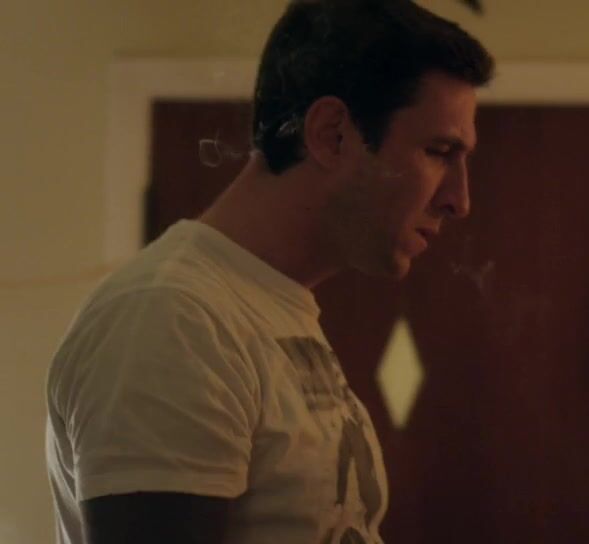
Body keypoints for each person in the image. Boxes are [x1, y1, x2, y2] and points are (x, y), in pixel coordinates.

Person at [44, 1, 494, 542]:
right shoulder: (173, 317)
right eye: (440, 151)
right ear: (332, 134)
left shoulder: (265, 308)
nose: (459, 199)